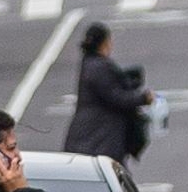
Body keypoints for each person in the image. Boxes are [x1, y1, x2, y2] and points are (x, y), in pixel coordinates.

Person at [65, 21, 153, 160]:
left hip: (91, 138)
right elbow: (116, 96)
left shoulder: (89, 64)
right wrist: (143, 98)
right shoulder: (100, 67)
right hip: (99, 140)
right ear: (105, 42)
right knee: (109, 175)